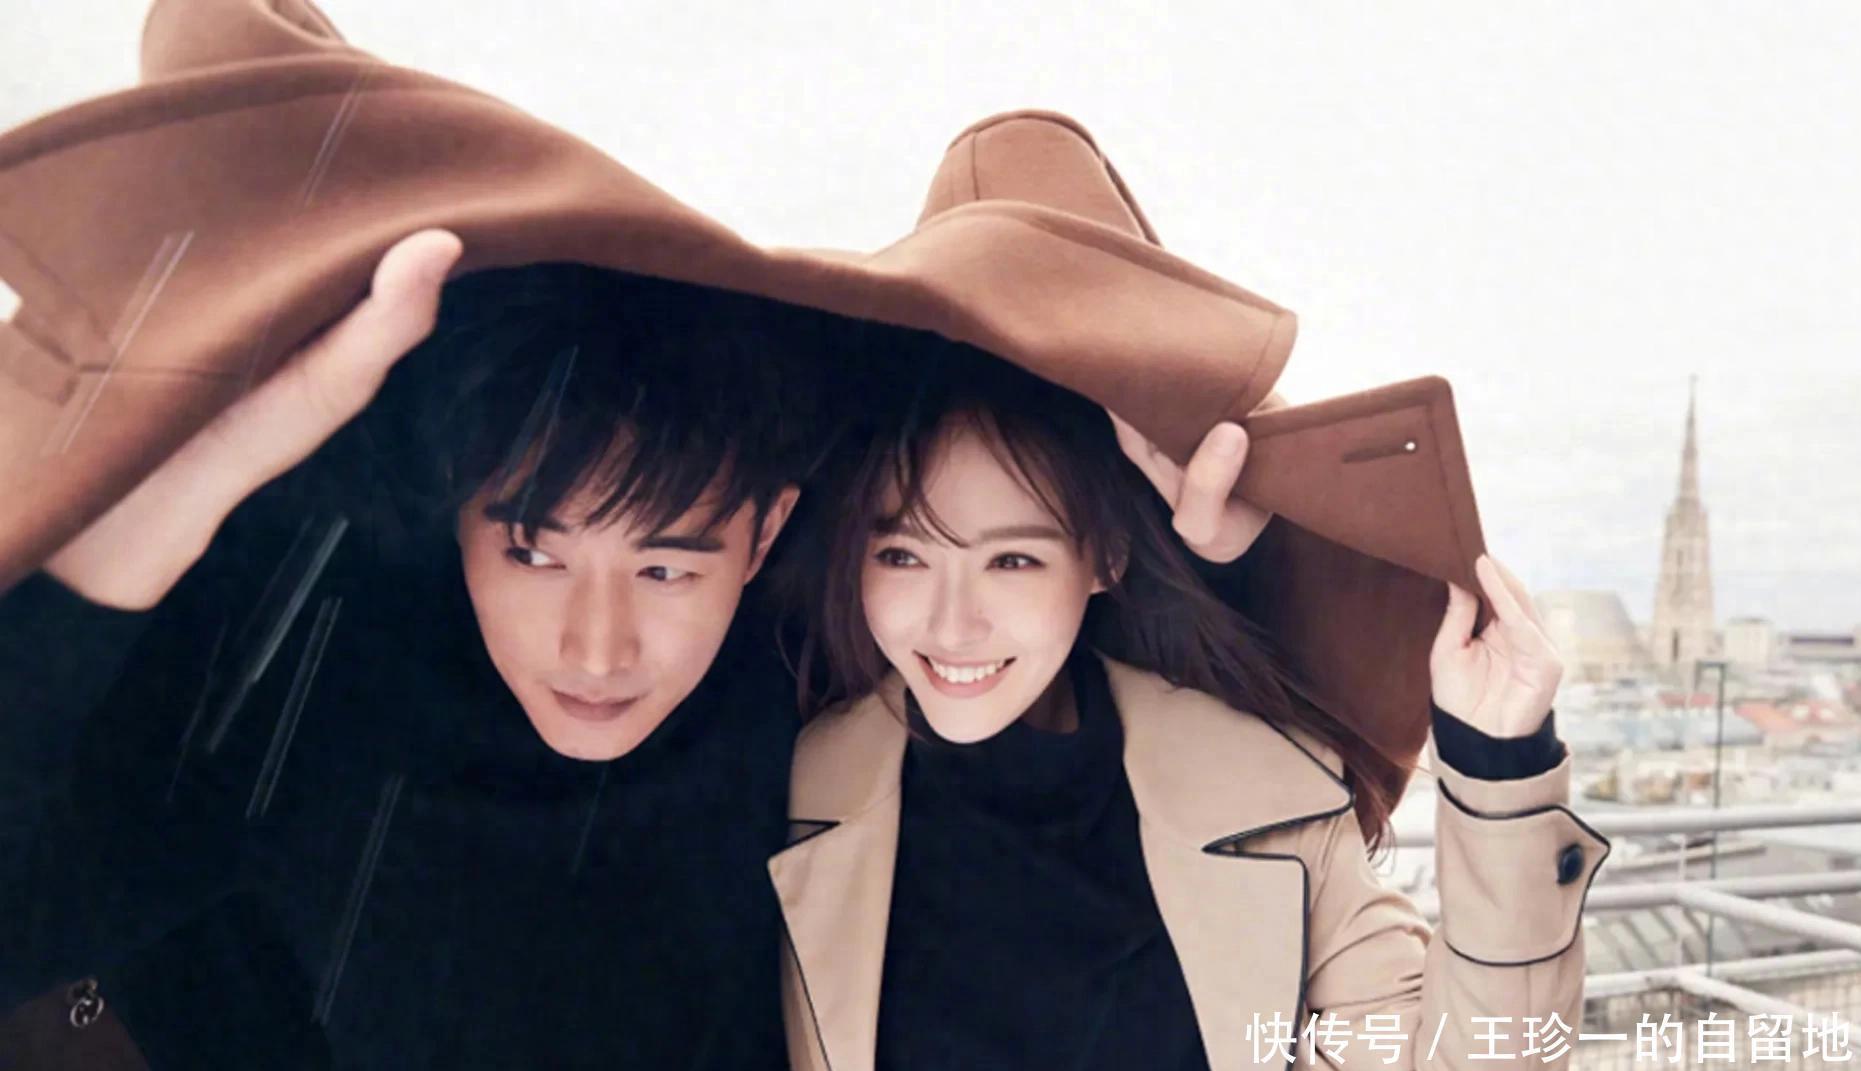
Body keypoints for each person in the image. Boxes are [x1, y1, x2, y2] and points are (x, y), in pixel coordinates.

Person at [1, 236, 824, 1068]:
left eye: (664, 570)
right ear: (457, 514)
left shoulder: (819, 684)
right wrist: (214, 467)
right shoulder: (325, 706)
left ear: (766, 533)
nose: (598, 650)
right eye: (533, 555)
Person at [771, 342, 1606, 1070]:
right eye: (902, 555)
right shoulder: (783, 790)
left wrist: (1501, 762)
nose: (951, 624)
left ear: (1105, 558)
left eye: (1012, 561)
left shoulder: (1265, 794)